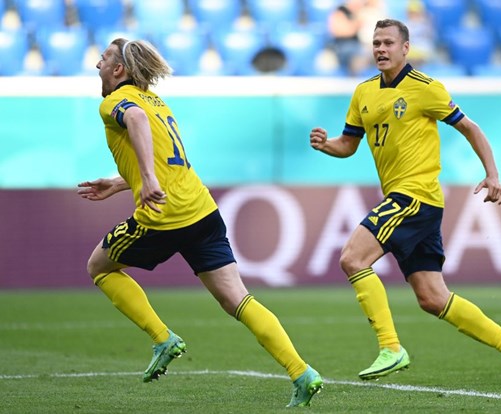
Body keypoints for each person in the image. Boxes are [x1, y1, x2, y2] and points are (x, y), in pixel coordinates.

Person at [78, 38, 323, 407]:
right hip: (202, 210)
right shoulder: (158, 102)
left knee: (99, 267)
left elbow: (137, 122)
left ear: (119, 71)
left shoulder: (115, 102)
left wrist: (148, 179)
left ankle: (162, 338)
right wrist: (117, 183)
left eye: (103, 60)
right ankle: (302, 372)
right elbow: (161, 153)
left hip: (163, 215)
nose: (97, 65)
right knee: (237, 299)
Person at [308, 19, 501, 383]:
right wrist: (326, 145)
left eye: (388, 43)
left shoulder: (426, 88)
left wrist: (493, 174)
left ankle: (391, 347)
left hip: (415, 196)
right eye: (376, 43)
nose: (380, 49)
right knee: (432, 298)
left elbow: (470, 127)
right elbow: (348, 145)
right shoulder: (363, 92)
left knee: (353, 258)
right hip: (410, 202)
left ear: (405, 47)